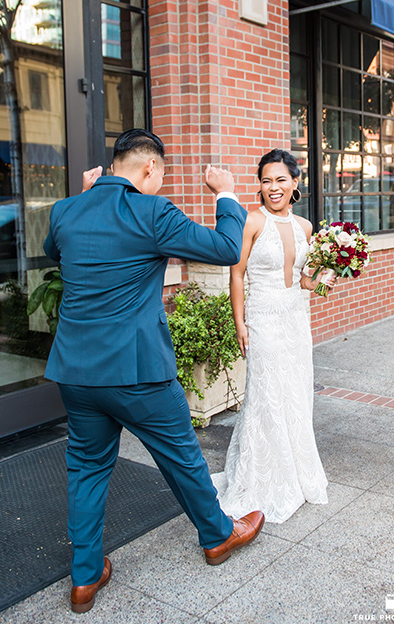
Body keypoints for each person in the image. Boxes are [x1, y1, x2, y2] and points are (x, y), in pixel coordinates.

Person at [43, 129, 264, 614]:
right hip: (137, 370)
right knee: (182, 456)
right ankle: (218, 536)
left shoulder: (66, 210)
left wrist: (84, 201)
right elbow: (227, 248)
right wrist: (225, 191)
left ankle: (84, 578)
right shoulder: (151, 211)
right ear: (149, 169)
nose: (160, 183)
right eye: (161, 175)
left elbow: (56, 252)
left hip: (76, 372)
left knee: (85, 467)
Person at [212, 149, 334, 524]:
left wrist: (327, 277)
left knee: (295, 392)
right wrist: (240, 323)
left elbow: (305, 281)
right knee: (265, 395)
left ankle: (296, 474)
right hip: (263, 318)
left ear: (296, 183)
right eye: (266, 180)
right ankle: (262, 478)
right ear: (260, 186)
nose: (273, 187)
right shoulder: (251, 222)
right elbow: (236, 275)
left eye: (281, 179)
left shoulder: (306, 228)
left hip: (296, 318)